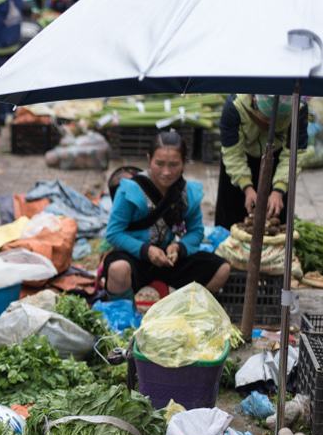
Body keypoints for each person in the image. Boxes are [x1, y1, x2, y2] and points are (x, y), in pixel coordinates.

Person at [103, 131, 231, 299]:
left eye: (173, 165)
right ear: (149, 159)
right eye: (160, 164)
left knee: (222, 269)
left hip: (167, 258)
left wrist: (179, 247)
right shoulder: (130, 190)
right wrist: (146, 250)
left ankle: (183, 307)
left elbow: (196, 231)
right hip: (133, 256)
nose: (166, 172)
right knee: (118, 269)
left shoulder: (188, 193)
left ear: (184, 163)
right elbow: (113, 233)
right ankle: (126, 312)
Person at [215, 94, 309, 231]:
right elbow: (232, 154)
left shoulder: (298, 109)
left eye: (277, 121)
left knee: (275, 219)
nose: (270, 125)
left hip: (276, 162)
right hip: (240, 160)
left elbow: (294, 153)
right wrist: (246, 187)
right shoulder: (234, 107)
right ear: (254, 102)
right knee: (231, 220)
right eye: (266, 119)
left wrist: (279, 189)